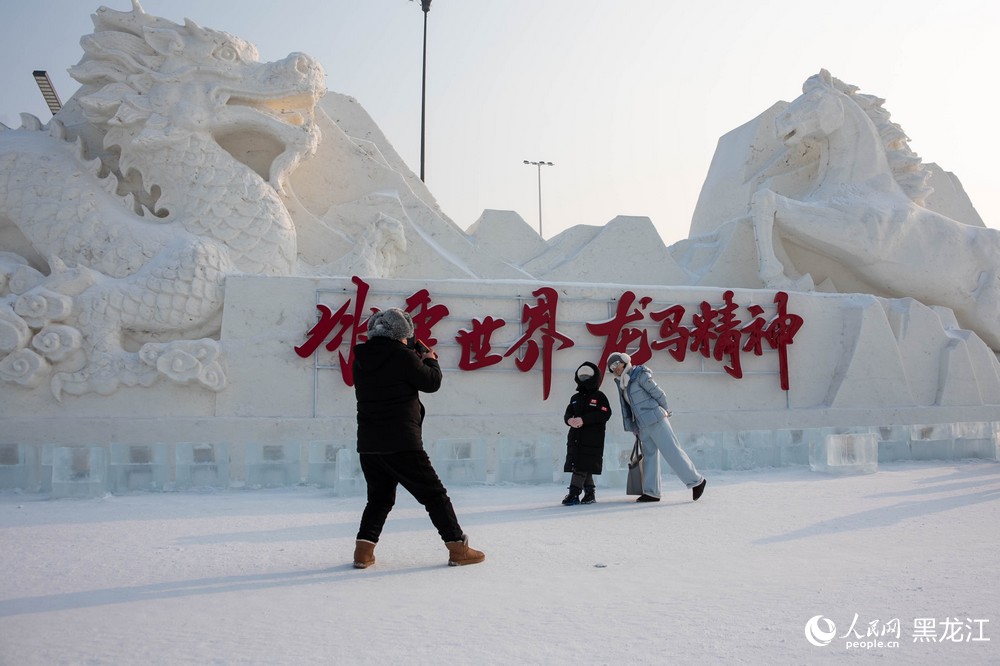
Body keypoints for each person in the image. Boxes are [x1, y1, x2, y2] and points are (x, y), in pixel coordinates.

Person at [351, 308, 485, 568]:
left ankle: (363, 553)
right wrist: (430, 359)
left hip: (369, 443)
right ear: (403, 334)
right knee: (435, 496)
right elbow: (431, 382)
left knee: (379, 499)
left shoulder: (361, 359)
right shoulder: (403, 357)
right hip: (402, 441)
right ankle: (458, 548)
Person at [607, 351, 707, 503]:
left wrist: (664, 412)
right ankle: (652, 492)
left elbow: (659, 394)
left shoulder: (639, 375)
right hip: (643, 426)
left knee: (672, 451)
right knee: (650, 458)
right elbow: (628, 410)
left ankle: (696, 481)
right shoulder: (623, 384)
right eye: (612, 368)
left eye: (616, 364)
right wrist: (635, 428)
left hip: (656, 419)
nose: (615, 369)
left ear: (625, 361)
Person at [561, 362, 612, 505]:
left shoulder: (599, 396)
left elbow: (605, 414)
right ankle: (590, 494)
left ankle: (573, 494)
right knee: (584, 465)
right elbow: (568, 413)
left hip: (592, 438)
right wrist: (569, 420)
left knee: (580, 466)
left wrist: (584, 420)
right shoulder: (575, 398)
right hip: (576, 437)